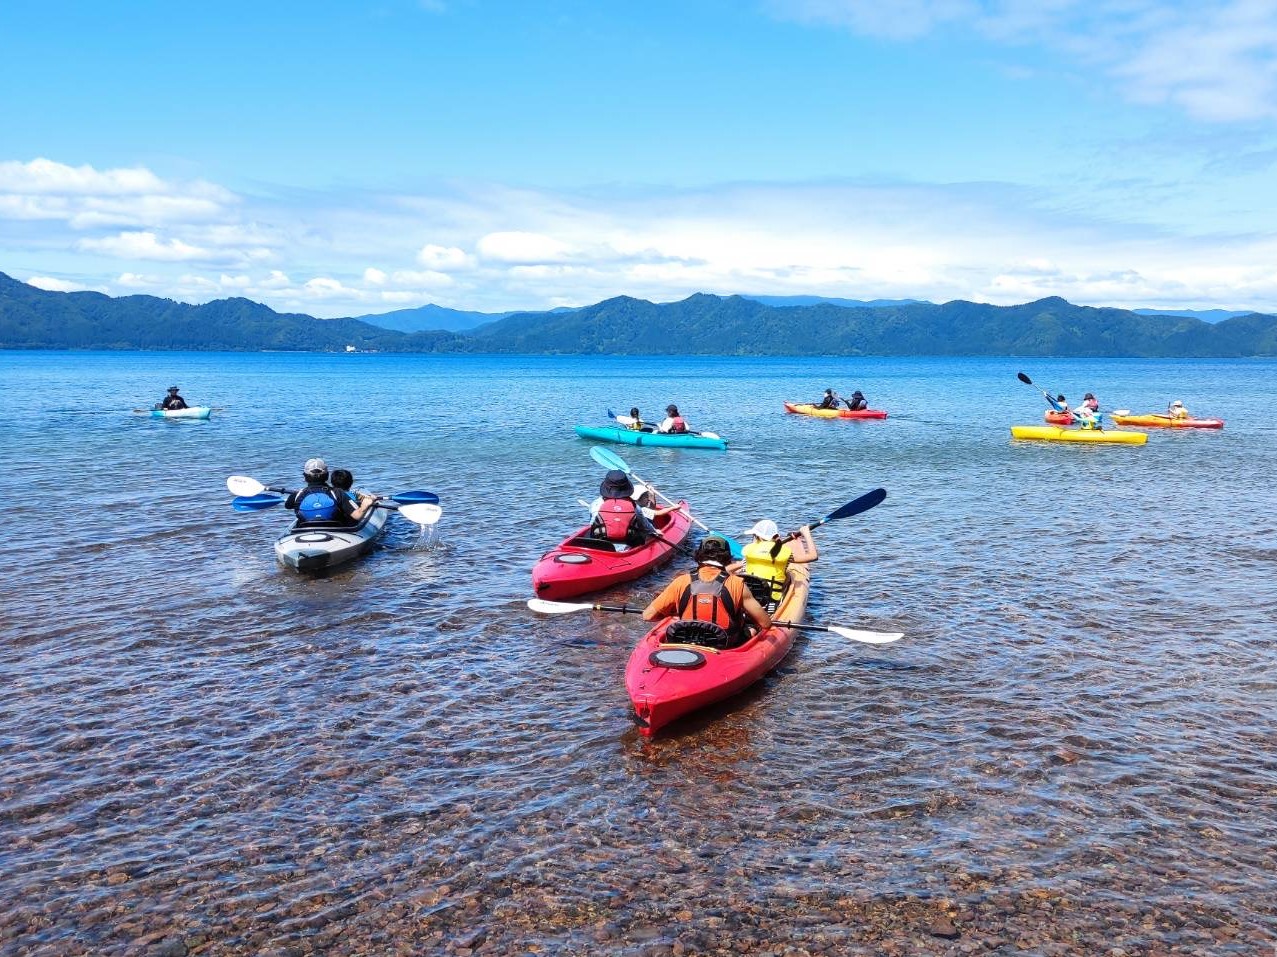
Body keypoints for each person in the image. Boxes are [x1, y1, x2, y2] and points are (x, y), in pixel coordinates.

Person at [642, 535, 771, 649]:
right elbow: (765, 623)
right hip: (726, 645)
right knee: (752, 628)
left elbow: (647, 615)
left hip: (686, 640)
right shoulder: (737, 583)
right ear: (727, 558)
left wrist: (672, 612)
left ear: (699, 556)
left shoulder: (680, 581)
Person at [729, 520, 819, 608]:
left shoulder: (748, 550)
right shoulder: (784, 554)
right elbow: (813, 556)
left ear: (758, 537)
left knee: (741, 573)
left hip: (747, 599)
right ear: (775, 537)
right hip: (771, 601)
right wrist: (806, 533)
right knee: (788, 575)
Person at [589, 470, 676, 545]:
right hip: (629, 542)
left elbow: (592, 525)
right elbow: (645, 525)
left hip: (601, 542)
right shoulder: (634, 506)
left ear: (606, 487)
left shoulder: (595, 504)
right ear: (625, 488)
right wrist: (654, 531)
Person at [284, 458, 375, 526]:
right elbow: (357, 516)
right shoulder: (338, 493)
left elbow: (287, 505)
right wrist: (365, 505)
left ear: (305, 477)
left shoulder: (297, 494)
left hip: (305, 532)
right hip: (335, 531)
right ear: (327, 476)